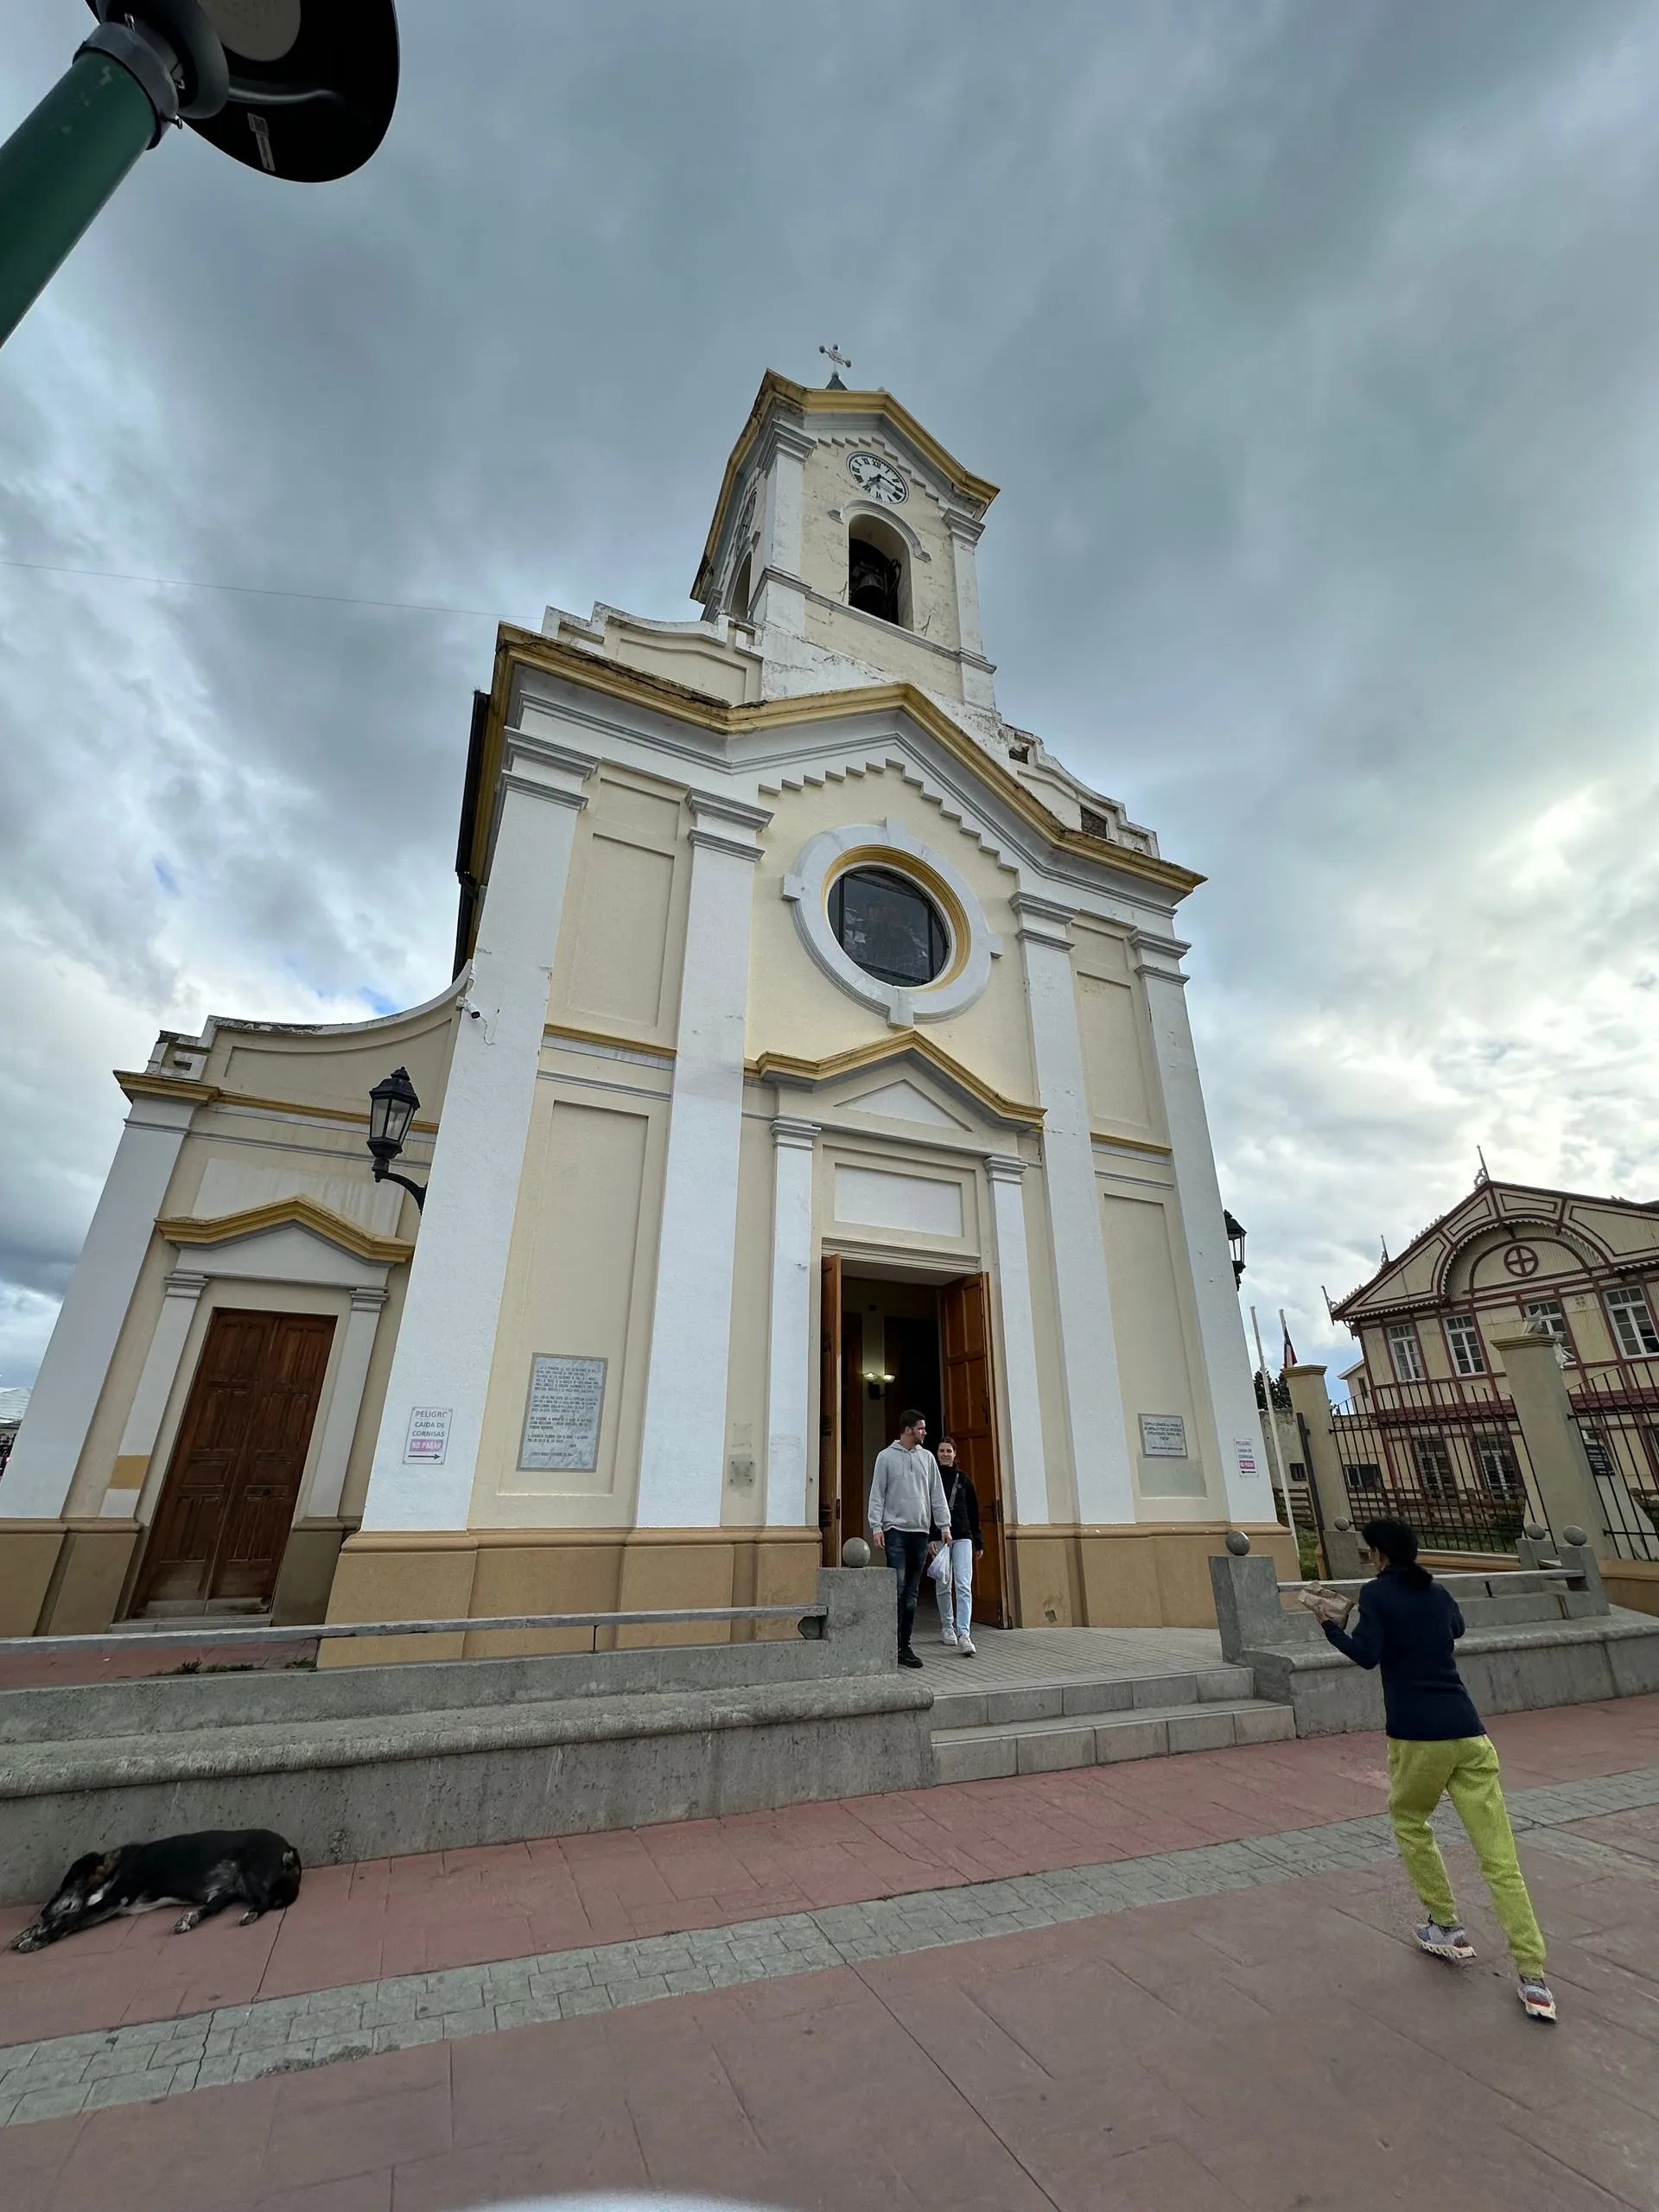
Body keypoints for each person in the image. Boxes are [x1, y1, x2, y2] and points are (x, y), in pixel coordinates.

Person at [1311, 1516, 1555, 2022]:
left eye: (1370, 1551)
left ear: (1380, 1554)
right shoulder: (1437, 1592)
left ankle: (1446, 1923)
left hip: (1418, 1736)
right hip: (1470, 1734)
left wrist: (1329, 1626)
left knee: (1410, 1819)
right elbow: (1456, 1628)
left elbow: (1366, 1655)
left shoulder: (1376, 1594)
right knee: (1500, 1858)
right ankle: (1534, 1977)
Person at [868, 1409, 952, 1669]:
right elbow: (877, 1493)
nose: (925, 1432)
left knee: (911, 1594)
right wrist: (876, 1527)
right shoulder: (885, 1457)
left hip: (920, 1532)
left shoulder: (927, 1458)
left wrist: (944, 1526)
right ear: (907, 1429)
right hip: (895, 1530)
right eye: (921, 1428)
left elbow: (937, 1494)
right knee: (897, 1588)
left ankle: (904, 1646)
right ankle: (889, 1645)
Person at [931, 1436, 984, 1656]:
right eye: (942, 1450)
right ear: (937, 1454)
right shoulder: (932, 1478)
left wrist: (978, 1541)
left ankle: (964, 1633)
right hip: (939, 1537)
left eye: (949, 1451)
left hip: (963, 1536)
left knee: (963, 1585)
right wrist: (930, 1538)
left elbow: (974, 1511)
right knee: (944, 1584)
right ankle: (947, 1626)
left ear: (955, 1454)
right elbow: (927, 1509)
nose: (945, 1454)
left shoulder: (964, 1480)